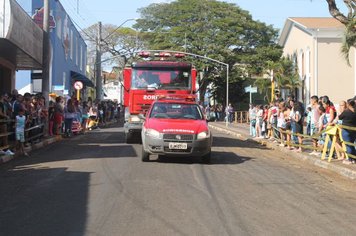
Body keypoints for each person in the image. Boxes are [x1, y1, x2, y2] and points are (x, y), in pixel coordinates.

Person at [339, 99, 356, 164]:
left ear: (348, 105)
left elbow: (340, 117)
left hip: (346, 130)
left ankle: (349, 159)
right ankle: (353, 159)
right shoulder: (355, 112)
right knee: (352, 145)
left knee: (348, 145)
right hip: (353, 130)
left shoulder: (346, 111)